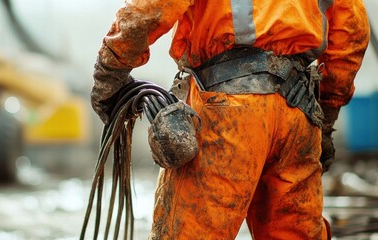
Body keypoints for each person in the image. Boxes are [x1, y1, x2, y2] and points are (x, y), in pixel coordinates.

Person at [91, 0, 369, 239]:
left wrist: (111, 67)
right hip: (298, 113)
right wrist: (327, 115)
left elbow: (151, 9)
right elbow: (351, 31)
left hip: (227, 113)